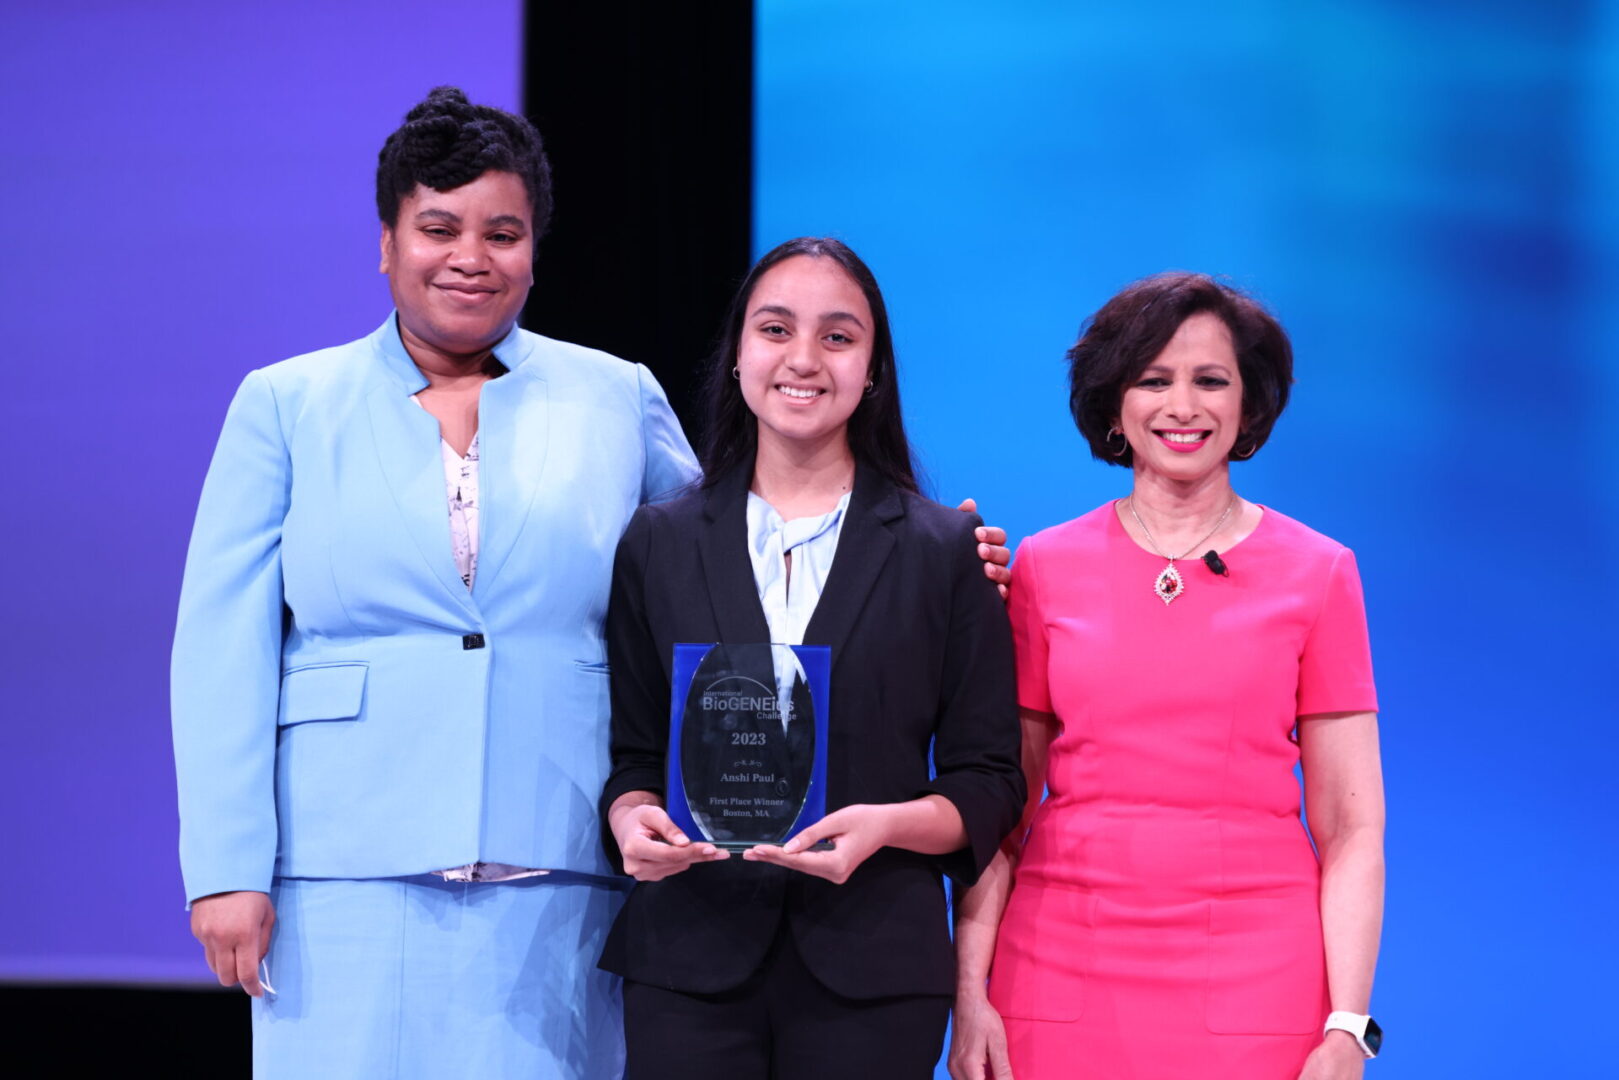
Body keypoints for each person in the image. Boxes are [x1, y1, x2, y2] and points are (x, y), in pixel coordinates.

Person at [172, 89, 1012, 1077]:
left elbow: (740, 544)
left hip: (561, 859)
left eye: (504, 232)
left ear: (534, 249)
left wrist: (931, 550)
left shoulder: (613, 395)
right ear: (387, 242)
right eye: (437, 228)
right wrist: (226, 869)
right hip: (344, 865)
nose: (471, 256)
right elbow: (221, 647)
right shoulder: (285, 404)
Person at [599, 237, 1028, 1079]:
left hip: (873, 971)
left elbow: (988, 780)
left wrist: (885, 827)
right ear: (737, 356)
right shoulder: (658, 542)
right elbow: (634, 757)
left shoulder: (945, 551)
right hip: (688, 963)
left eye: (837, 337)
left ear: (872, 370)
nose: (803, 358)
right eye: (774, 329)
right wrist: (628, 819)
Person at [949, 273, 1386, 1080]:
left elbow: (1350, 825)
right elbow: (1000, 812)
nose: (1181, 406)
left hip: (1259, 985)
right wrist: (967, 992)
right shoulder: (1044, 567)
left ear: (1248, 405)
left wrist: (1345, 1025)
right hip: (1056, 972)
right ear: (1113, 405)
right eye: (1152, 380)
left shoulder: (1319, 573)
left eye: (1209, 380)